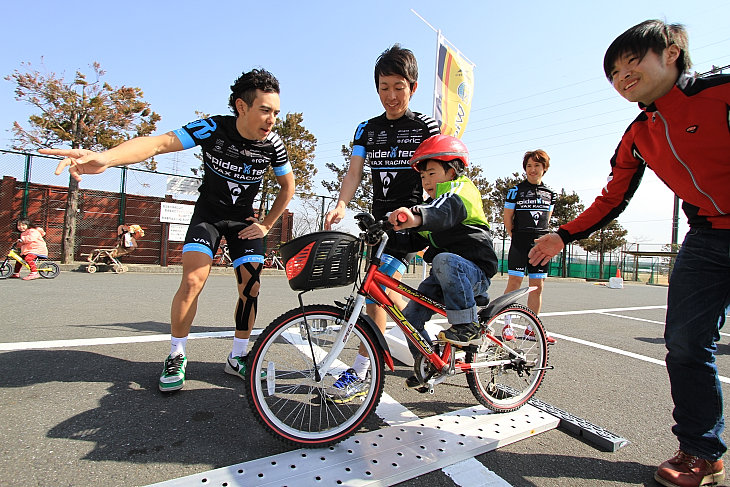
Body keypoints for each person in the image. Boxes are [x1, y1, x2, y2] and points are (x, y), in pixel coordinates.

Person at [527, 20, 729, 487]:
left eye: (631, 62)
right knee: (684, 343)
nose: (622, 77)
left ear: (672, 51)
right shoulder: (639, 133)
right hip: (707, 239)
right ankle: (702, 452)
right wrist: (563, 234)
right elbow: (612, 196)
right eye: (614, 73)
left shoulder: (721, 91)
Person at [41, 69, 296, 393]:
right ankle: (177, 354)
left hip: (244, 222)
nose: (272, 119)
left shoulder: (273, 144)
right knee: (192, 279)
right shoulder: (213, 128)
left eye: (276, 112)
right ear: (241, 107)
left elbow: (287, 187)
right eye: (265, 110)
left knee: (251, 284)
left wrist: (266, 224)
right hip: (209, 216)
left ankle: (238, 356)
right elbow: (158, 143)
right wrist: (105, 158)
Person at [322, 44, 440, 401]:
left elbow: (440, 173)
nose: (391, 95)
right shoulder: (366, 129)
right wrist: (342, 203)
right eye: (384, 87)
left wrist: (433, 213)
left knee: (378, 293)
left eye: (398, 87)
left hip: (413, 223)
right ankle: (425, 347)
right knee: (382, 294)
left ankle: (360, 372)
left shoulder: (425, 125)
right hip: (379, 225)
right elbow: (354, 170)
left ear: (413, 87)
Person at [388, 135, 498, 388]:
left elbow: (441, 212)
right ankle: (429, 366)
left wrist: (413, 215)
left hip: (474, 272)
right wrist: (385, 234)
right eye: (423, 176)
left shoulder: (461, 190)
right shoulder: (432, 206)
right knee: (409, 319)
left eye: (432, 173)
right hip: (445, 277)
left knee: (445, 259)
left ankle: (467, 325)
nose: (425, 180)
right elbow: (414, 239)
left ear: (451, 170)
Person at [501, 150, 557, 345]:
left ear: (544, 168)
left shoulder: (550, 194)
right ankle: (507, 325)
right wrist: (515, 237)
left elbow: (546, 220)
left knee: (537, 287)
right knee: (514, 283)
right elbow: (508, 218)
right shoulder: (515, 190)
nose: (532, 170)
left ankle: (532, 329)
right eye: (529, 166)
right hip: (519, 242)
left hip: (540, 246)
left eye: (537, 166)